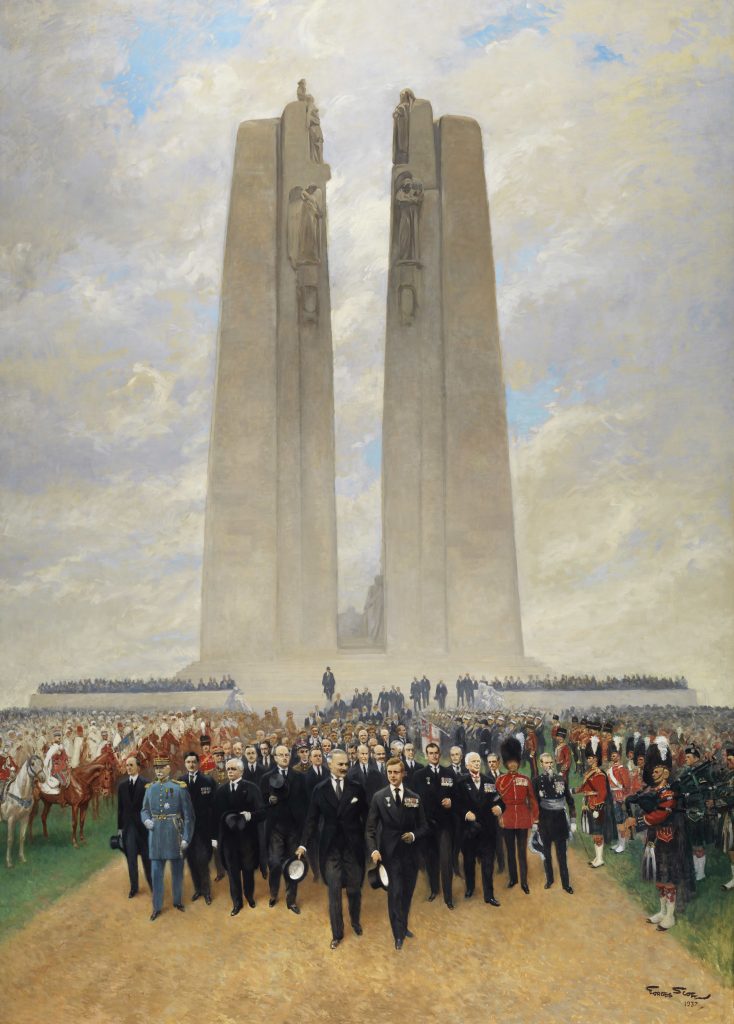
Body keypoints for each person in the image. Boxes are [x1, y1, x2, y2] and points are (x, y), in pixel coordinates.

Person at [296, 749, 367, 948]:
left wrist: (371, 844)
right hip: (330, 849)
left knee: (354, 889)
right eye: (340, 764)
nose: (345, 768)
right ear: (330, 766)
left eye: (346, 764)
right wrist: (302, 844)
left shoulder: (357, 788)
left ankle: (355, 921)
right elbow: (311, 820)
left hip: (353, 847)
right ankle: (337, 933)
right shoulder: (319, 790)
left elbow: (368, 817)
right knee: (333, 891)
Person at [366, 758, 429, 950]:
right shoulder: (378, 797)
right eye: (389, 772)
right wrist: (374, 850)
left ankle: (404, 925)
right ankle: (398, 934)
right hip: (389, 855)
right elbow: (370, 828)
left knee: (407, 893)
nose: (393, 776)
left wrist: (413, 834)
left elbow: (424, 826)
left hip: (410, 855)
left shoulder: (414, 797)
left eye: (396, 772)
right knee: (395, 893)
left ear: (403, 774)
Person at [140, 755, 194, 921]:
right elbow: (144, 810)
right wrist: (146, 820)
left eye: (162, 767)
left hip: (174, 834)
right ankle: (157, 907)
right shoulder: (150, 788)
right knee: (156, 873)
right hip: (155, 836)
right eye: (156, 768)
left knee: (177, 871)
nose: (159, 771)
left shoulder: (179, 788)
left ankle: (177, 901)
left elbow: (189, 816)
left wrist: (186, 837)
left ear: (168, 769)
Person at [213, 757, 266, 915]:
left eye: (233, 769)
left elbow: (263, 812)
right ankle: (237, 903)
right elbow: (215, 816)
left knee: (248, 870)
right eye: (228, 769)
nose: (229, 772)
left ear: (241, 771)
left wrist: (250, 815)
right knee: (232, 871)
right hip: (228, 839)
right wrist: (215, 838)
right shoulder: (221, 791)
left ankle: (249, 896)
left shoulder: (251, 788)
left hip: (247, 838)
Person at [261, 745, 308, 913]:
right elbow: (261, 804)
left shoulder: (299, 777)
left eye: (286, 754)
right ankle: (273, 893)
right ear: (275, 758)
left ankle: (291, 900)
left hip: (294, 828)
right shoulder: (266, 778)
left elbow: (305, 802)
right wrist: (269, 801)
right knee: (274, 863)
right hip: (275, 828)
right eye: (281, 755)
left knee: (293, 864)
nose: (284, 757)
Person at [456, 752, 505, 905]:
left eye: (478, 761)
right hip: (469, 831)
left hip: (487, 830)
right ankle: (470, 888)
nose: (477, 764)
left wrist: (499, 807)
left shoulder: (489, 781)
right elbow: (456, 805)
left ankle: (489, 895)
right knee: (469, 862)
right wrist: (465, 813)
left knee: (488, 863)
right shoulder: (460, 782)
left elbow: (500, 800)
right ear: (467, 765)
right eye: (474, 761)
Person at [413, 741, 457, 908]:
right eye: (430, 753)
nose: (434, 756)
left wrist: (452, 801)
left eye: (436, 753)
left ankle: (448, 897)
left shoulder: (449, 774)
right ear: (426, 755)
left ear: (440, 754)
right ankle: (434, 890)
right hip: (427, 825)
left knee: (446, 861)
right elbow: (414, 800)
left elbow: (457, 796)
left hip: (444, 824)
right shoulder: (418, 775)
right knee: (431, 859)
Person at [496, 737, 538, 893]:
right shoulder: (500, 780)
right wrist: (499, 817)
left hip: (522, 818)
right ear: (506, 763)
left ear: (518, 762)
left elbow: (533, 800)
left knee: (521, 852)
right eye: (510, 762)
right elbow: (497, 802)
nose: (512, 764)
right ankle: (513, 879)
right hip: (506, 818)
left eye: (515, 761)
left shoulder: (525, 780)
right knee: (510, 852)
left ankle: (524, 881)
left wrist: (535, 819)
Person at [532, 752, 576, 894]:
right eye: (546, 763)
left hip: (560, 821)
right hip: (545, 821)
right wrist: (535, 821)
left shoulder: (561, 779)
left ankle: (566, 884)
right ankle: (549, 879)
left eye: (551, 762)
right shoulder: (537, 781)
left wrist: (573, 820)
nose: (549, 765)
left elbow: (570, 801)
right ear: (541, 764)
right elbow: (534, 803)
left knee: (562, 855)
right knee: (547, 854)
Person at [180, 751, 216, 905]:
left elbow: (214, 806)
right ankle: (198, 890)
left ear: (198, 763)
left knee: (202, 859)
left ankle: (207, 891)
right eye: (188, 762)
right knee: (191, 860)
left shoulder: (208, 780)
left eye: (194, 761)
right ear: (185, 764)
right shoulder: (179, 782)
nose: (191, 764)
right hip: (187, 830)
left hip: (204, 828)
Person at [117, 754, 152, 898]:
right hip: (128, 830)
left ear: (138, 767)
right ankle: (134, 887)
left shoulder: (146, 784)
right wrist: (120, 829)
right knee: (131, 859)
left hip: (143, 829)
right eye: (127, 766)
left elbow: (150, 807)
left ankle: (153, 884)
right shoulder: (122, 786)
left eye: (131, 765)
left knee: (147, 859)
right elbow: (120, 809)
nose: (129, 768)